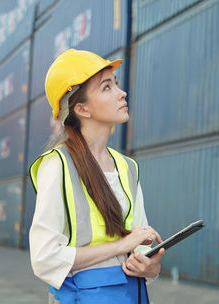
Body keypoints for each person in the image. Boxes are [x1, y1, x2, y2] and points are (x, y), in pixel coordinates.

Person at [28, 49, 165, 303]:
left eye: (117, 84)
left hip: (132, 294)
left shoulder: (128, 167)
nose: (121, 93)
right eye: (106, 87)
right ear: (82, 109)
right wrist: (120, 247)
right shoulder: (58, 165)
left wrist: (151, 267)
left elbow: (141, 245)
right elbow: (44, 257)